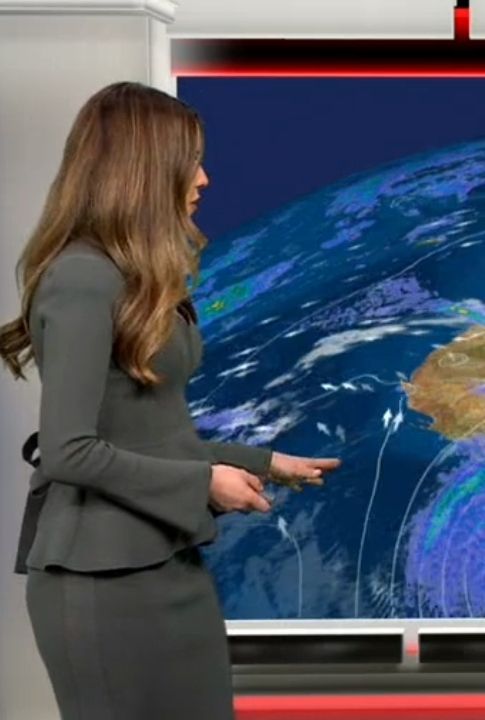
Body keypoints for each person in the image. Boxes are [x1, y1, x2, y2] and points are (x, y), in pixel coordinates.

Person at [0, 81, 341, 720]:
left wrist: (262, 463)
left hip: (163, 564)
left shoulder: (129, 277)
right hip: (104, 580)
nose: (204, 178)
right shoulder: (82, 277)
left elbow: (143, 431)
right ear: (142, 170)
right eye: (192, 161)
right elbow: (70, 452)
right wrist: (205, 484)